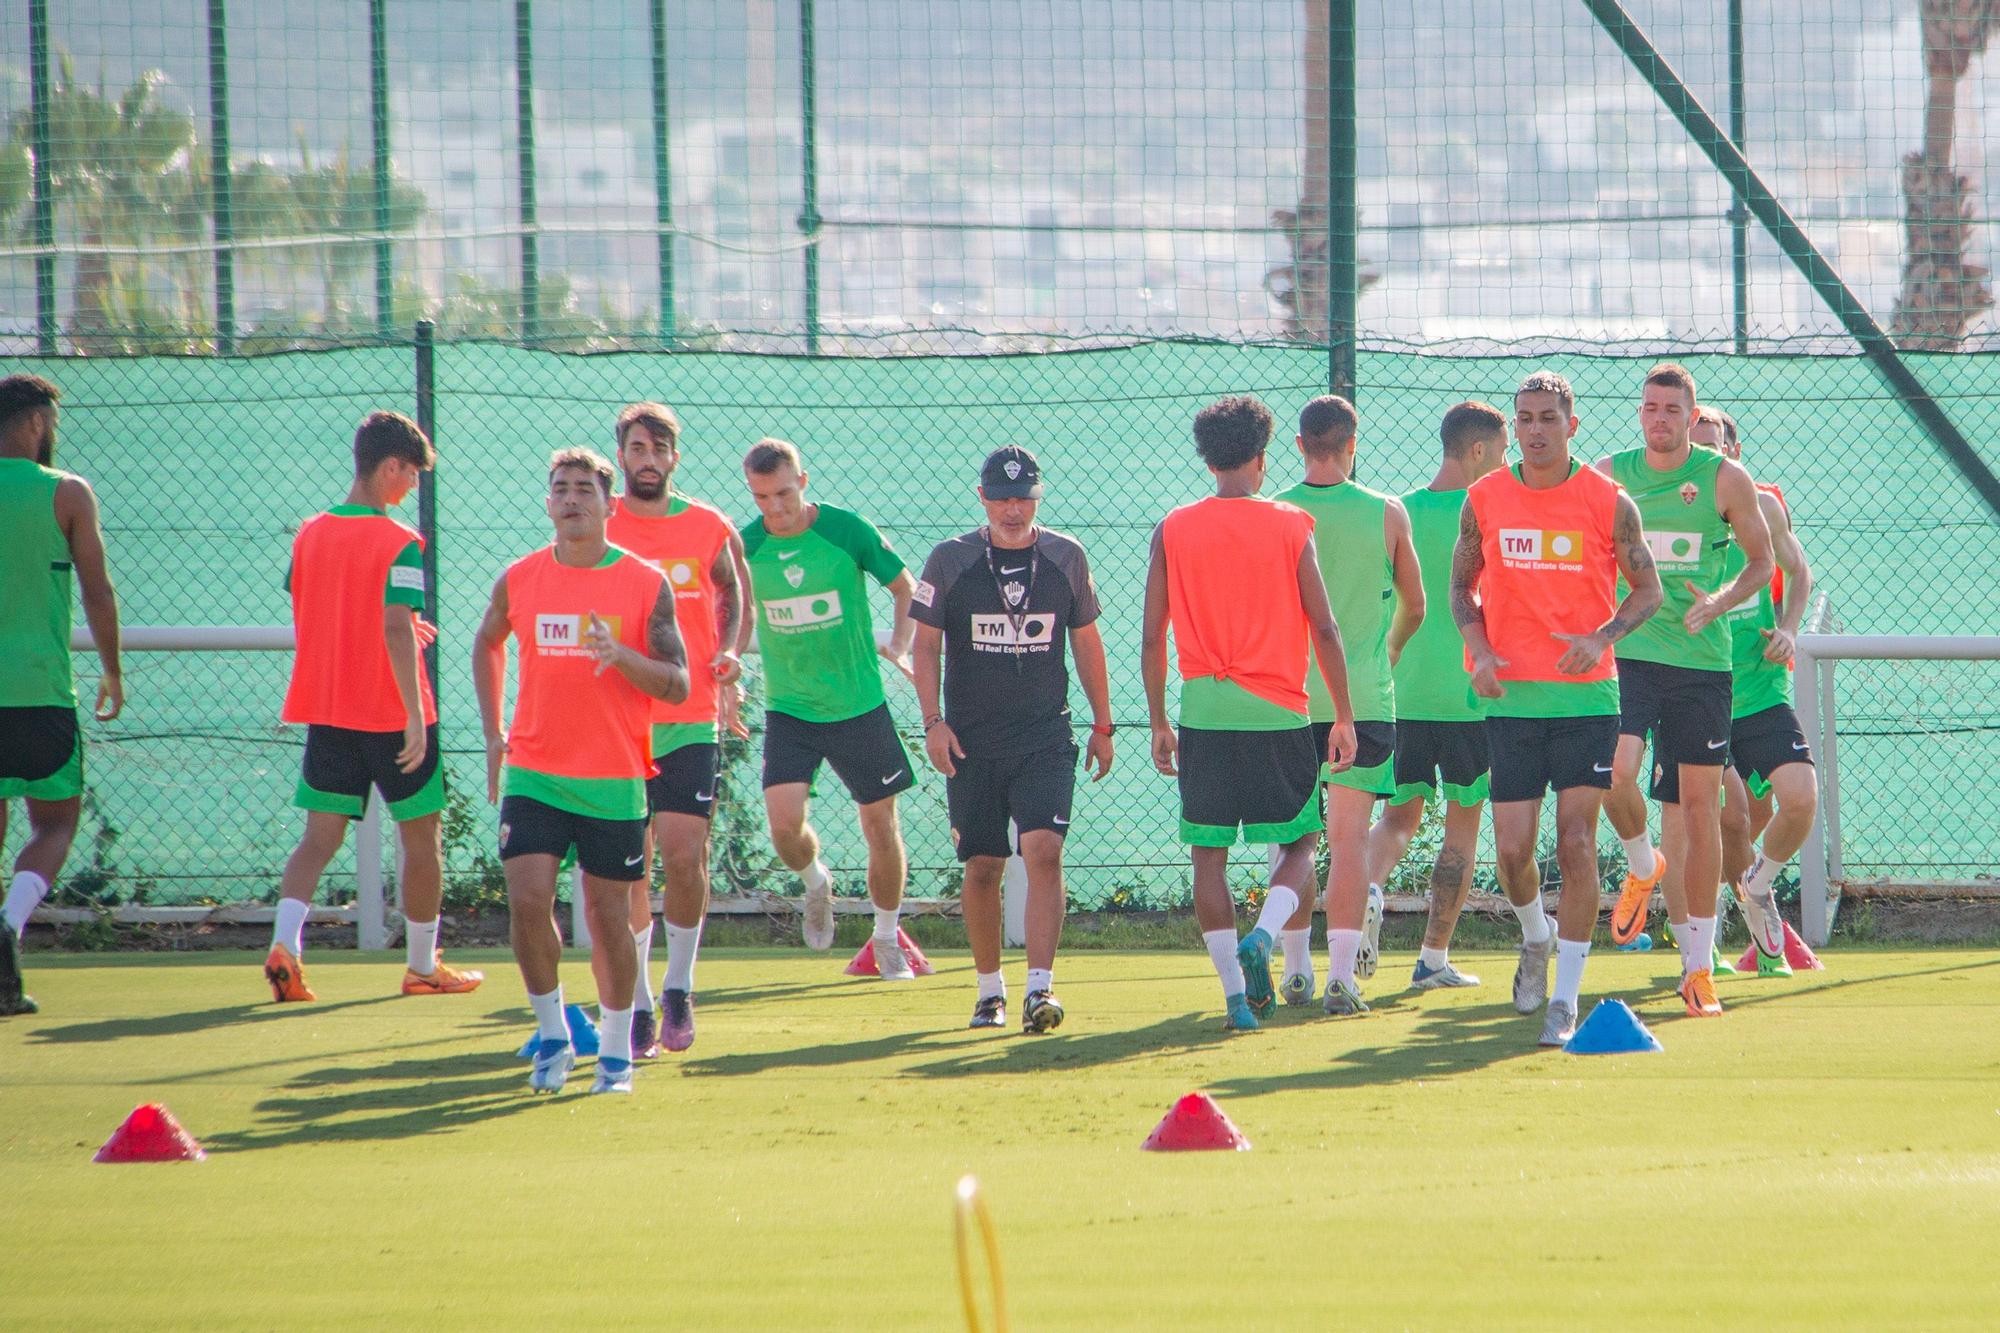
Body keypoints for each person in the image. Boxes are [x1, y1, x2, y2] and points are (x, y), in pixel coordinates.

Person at [1451, 371, 1662, 1046]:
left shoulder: (1608, 501)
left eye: (1548, 417)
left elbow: (1649, 589)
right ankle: (1535, 938)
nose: (1536, 429)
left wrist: (1601, 636)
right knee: (1513, 851)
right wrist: (1479, 651)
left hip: (1588, 699)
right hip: (1512, 700)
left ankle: (1565, 999)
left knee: (1575, 842)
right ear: (1513, 427)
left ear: (1573, 425)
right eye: (1525, 418)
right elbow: (1461, 590)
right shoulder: (1484, 499)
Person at [471, 448, 689, 1095]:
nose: (571, 499)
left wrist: (621, 655)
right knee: (528, 903)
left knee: (606, 916)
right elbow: (487, 640)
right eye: (560, 489)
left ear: (608, 504)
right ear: (548, 503)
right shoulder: (520, 578)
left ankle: (618, 1052)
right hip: (535, 770)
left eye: (584, 490)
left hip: (613, 775)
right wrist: (493, 732)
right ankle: (554, 1038)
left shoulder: (645, 582)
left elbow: (677, 683)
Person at [1140, 395, 1356, 1032]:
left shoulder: (1173, 527)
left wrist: (1159, 721)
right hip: (1279, 715)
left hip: (1204, 713)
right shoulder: (1291, 523)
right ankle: (1263, 935)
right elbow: (1325, 625)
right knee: (1301, 843)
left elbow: (1153, 636)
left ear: (1209, 459)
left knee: (1209, 859)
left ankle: (1237, 998)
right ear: (1263, 459)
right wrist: (1343, 715)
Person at [263, 411, 480, 1003]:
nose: (412, 486)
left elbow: (321, 602)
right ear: (390, 466)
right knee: (421, 838)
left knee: (318, 838)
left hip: (327, 711)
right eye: (410, 474)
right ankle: (421, 966)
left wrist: (406, 627)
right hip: (390, 713)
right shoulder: (400, 540)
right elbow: (390, 626)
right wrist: (413, 713)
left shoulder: (310, 532)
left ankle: (286, 944)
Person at [911, 446, 1114, 1033]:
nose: (1012, 509)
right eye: (1001, 498)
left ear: (1038, 497)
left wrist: (1103, 726)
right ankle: (987, 991)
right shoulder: (950, 559)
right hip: (970, 740)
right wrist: (932, 722)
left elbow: (1087, 642)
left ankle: (1040, 990)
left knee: (1044, 850)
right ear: (982, 498)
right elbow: (924, 645)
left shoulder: (1065, 556)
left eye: (1023, 497)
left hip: (1045, 734)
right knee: (982, 865)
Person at [1596, 364, 1774, 1017]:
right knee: (1615, 773)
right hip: (1629, 653)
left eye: (1672, 409)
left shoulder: (1724, 479)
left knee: (1698, 813)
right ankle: (1643, 863)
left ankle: (1697, 968)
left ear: (1690, 413)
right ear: (1639, 413)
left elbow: (1763, 562)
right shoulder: (1610, 474)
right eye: (1650, 408)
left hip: (1702, 662)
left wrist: (1722, 600)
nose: (1660, 418)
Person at [740, 438, 922, 978]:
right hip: (790, 710)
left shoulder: (847, 530)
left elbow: (905, 588)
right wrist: (726, 671)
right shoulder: (743, 547)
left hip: (859, 705)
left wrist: (902, 644)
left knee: (880, 828)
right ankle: (817, 882)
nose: (775, 507)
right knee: (783, 827)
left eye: (784, 493)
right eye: (761, 497)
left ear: (804, 481)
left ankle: (886, 938)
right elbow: (727, 614)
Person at [605, 402, 750, 1056]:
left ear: (673, 457)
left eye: (658, 448)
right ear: (623, 454)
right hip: (618, 719)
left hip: (690, 715)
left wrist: (729, 650)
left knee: (686, 855)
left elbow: (735, 588)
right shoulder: (600, 523)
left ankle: (679, 988)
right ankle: (635, 1001)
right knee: (631, 870)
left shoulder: (707, 525)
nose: (648, 457)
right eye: (637, 447)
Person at [1271, 395, 1423, 1013]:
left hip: (1284, 701)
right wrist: (1380, 656)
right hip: (1361, 699)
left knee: (1292, 842)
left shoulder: (1276, 513)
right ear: (1353, 444)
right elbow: (1415, 606)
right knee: (1349, 840)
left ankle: (1297, 972)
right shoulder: (1387, 513)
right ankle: (1342, 978)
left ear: (1301, 445)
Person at [1367, 401, 1510, 992]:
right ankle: (1431, 958)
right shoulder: (1494, 513)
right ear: (1477, 451)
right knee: (1461, 829)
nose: (1506, 465)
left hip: (1399, 697)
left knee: (1396, 819)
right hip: (1470, 699)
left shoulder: (1395, 513)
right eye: (1502, 454)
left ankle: (1367, 894)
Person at [0, 374, 123, 1017]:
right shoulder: (68, 493)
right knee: (55, 823)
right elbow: (98, 589)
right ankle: (9, 926)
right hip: (42, 691)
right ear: (34, 424)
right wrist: (113, 671)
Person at [1691, 407, 1818, 975]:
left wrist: (1788, 628)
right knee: (1733, 817)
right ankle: (1723, 938)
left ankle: (1756, 889)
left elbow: (1799, 570)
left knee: (1797, 801)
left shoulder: (1763, 508)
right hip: (1701, 692)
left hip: (1762, 691)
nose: (1706, 458)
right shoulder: (1667, 516)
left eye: (1714, 447)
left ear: (1734, 453)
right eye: (1696, 449)